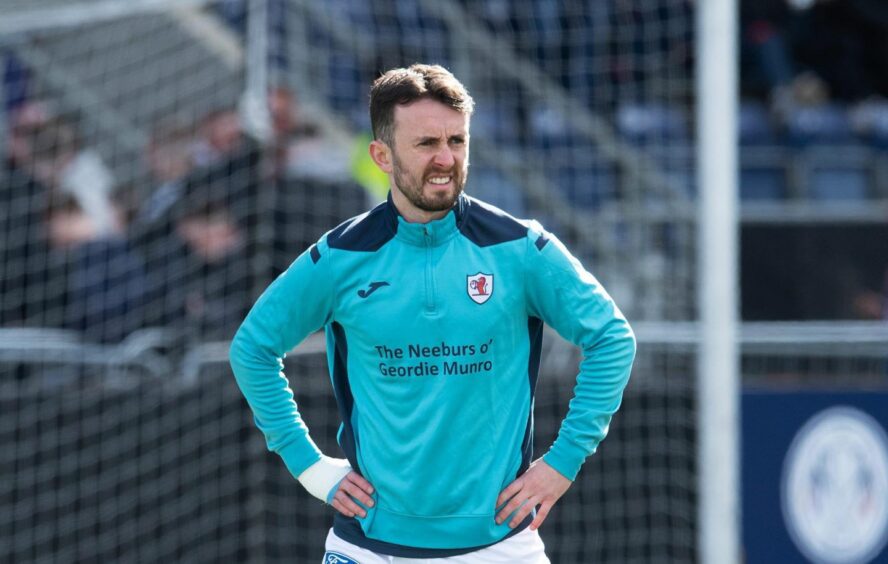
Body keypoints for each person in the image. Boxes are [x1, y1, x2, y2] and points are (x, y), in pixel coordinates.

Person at [229, 64, 636, 563]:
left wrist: (564, 461)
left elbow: (612, 338)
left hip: (500, 547)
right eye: (426, 144)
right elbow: (253, 346)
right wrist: (308, 465)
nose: (446, 158)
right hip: (369, 548)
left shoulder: (518, 247)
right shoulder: (340, 257)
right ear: (382, 154)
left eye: (457, 141)